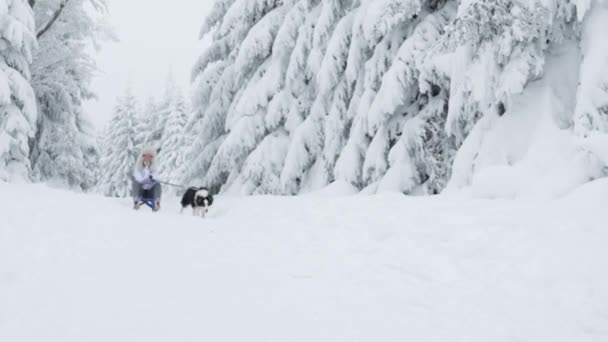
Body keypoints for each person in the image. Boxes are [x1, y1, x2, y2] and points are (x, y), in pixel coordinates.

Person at [132, 146, 162, 211]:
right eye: (146, 156)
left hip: (150, 191)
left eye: (150, 156)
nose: (148, 158)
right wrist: (146, 172)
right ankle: (136, 201)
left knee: (158, 185)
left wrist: (153, 178)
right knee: (135, 183)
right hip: (141, 191)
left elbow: (157, 178)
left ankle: (157, 202)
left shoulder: (154, 168)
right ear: (143, 157)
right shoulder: (138, 168)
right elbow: (138, 179)